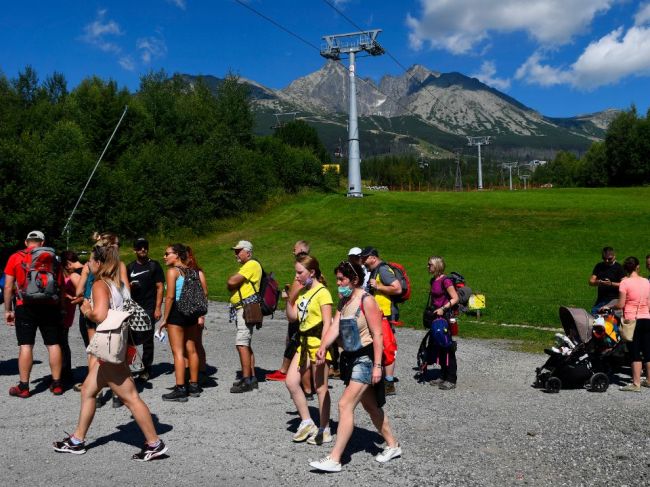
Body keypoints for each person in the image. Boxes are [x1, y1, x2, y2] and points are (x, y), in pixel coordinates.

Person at [53, 244, 167, 461]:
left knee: (130, 396)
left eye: (91, 261)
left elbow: (100, 315)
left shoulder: (99, 284)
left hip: (109, 345)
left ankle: (154, 443)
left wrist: (87, 309)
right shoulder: (119, 284)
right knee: (88, 389)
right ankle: (77, 440)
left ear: (98, 263)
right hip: (117, 343)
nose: (88, 264)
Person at [309, 261, 401, 472]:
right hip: (350, 359)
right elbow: (334, 327)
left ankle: (335, 458)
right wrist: (323, 346)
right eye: (338, 279)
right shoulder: (344, 301)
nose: (338, 284)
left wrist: (378, 366)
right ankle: (393, 445)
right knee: (370, 406)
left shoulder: (366, 301)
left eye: (342, 279)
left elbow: (377, 335)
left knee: (344, 404)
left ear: (355, 280)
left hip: (366, 359)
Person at [4, 230, 65, 397]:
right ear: (43, 242)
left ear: (26, 242)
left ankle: (24, 387)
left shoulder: (15, 257)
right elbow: (60, 286)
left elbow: (8, 286)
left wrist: (8, 309)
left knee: (25, 345)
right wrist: (61, 307)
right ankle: (57, 384)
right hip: (50, 306)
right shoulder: (53, 258)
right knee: (53, 344)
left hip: (25, 305)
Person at [285, 254, 332, 444]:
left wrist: (323, 347)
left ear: (311, 272)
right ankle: (307, 421)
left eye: (300, 272)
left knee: (320, 388)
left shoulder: (323, 293)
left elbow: (328, 323)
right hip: (303, 345)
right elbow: (292, 317)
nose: (296, 276)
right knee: (290, 381)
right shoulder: (303, 292)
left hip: (318, 344)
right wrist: (290, 299)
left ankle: (325, 428)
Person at [266, 240, 315, 399]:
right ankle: (307, 385)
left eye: (294, 250)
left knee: (298, 345)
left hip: (301, 315)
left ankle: (304, 386)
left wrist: (287, 297)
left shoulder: (303, 272)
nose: (292, 252)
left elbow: (293, 296)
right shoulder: (313, 271)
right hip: (308, 315)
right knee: (302, 346)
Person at [157, 243, 202, 402]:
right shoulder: (192, 271)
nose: (165, 256)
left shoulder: (172, 272)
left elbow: (169, 297)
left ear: (177, 255)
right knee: (192, 349)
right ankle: (194, 385)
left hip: (177, 311)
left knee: (178, 352)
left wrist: (164, 319)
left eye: (167, 253)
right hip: (190, 312)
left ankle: (180, 388)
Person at [360, 247, 401, 395]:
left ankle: (389, 383)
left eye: (365, 258)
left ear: (373, 257)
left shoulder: (383, 270)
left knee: (388, 346)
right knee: (378, 345)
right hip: (378, 314)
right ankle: (379, 379)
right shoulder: (374, 270)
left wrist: (378, 286)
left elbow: (397, 289)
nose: (363, 261)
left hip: (386, 315)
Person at [126, 237, 164, 382]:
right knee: (130, 338)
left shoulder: (154, 265)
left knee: (147, 339)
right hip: (133, 308)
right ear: (134, 249)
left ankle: (147, 369)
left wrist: (158, 308)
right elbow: (124, 289)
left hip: (149, 307)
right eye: (140, 247)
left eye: (145, 247)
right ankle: (129, 366)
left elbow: (160, 287)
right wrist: (131, 286)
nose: (143, 249)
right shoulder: (129, 267)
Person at [227, 240, 262, 393]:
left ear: (248, 252)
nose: (236, 254)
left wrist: (231, 282)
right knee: (245, 343)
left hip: (246, 309)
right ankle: (251, 377)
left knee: (241, 343)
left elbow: (231, 281)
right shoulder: (247, 266)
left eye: (238, 251)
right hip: (245, 308)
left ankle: (247, 380)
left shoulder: (251, 265)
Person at [611, 257, 650, 392]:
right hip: (646, 318)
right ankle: (649, 380)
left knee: (634, 352)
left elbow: (621, 304)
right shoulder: (646, 281)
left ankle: (636, 383)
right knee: (647, 350)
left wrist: (610, 307)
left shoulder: (625, 283)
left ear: (625, 269)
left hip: (632, 320)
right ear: (638, 267)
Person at [426, 256, 460, 390]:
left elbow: (455, 298)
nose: (427, 267)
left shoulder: (446, 281)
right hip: (436, 316)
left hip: (445, 317)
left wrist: (443, 308)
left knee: (447, 346)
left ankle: (451, 378)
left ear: (437, 266)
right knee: (438, 346)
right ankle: (442, 374)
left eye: (430, 265)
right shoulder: (433, 280)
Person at [60, 250, 85, 384]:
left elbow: (84, 296)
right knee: (63, 342)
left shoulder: (75, 275)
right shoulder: (85, 269)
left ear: (68, 264)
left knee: (62, 343)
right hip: (71, 312)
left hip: (69, 312)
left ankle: (65, 373)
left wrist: (71, 297)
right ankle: (65, 372)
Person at [185, 246, 209, 383]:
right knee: (185, 344)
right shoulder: (180, 272)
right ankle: (189, 371)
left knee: (197, 343)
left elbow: (204, 293)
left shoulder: (197, 272)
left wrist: (200, 315)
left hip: (196, 313)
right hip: (184, 314)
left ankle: (202, 370)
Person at [589, 247, 625, 314]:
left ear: (614, 256)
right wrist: (599, 282)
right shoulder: (599, 266)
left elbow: (625, 284)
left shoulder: (619, 268)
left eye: (609, 259)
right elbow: (591, 281)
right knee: (595, 314)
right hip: (601, 299)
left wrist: (611, 284)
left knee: (606, 318)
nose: (606, 261)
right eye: (604, 258)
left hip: (614, 299)